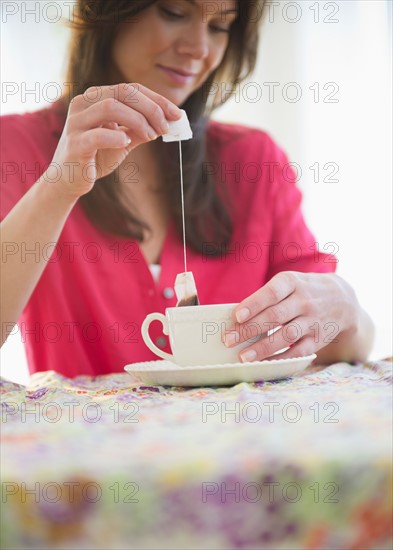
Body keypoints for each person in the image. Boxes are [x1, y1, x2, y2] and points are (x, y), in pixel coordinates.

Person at [0, 0, 374, 377]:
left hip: (241, 431)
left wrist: (346, 307)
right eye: (174, 13)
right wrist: (58, 186)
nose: (199, 49)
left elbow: (344, 345)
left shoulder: (253, 161)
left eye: (220, 27)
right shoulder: (16, 148)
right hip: (80, 433)